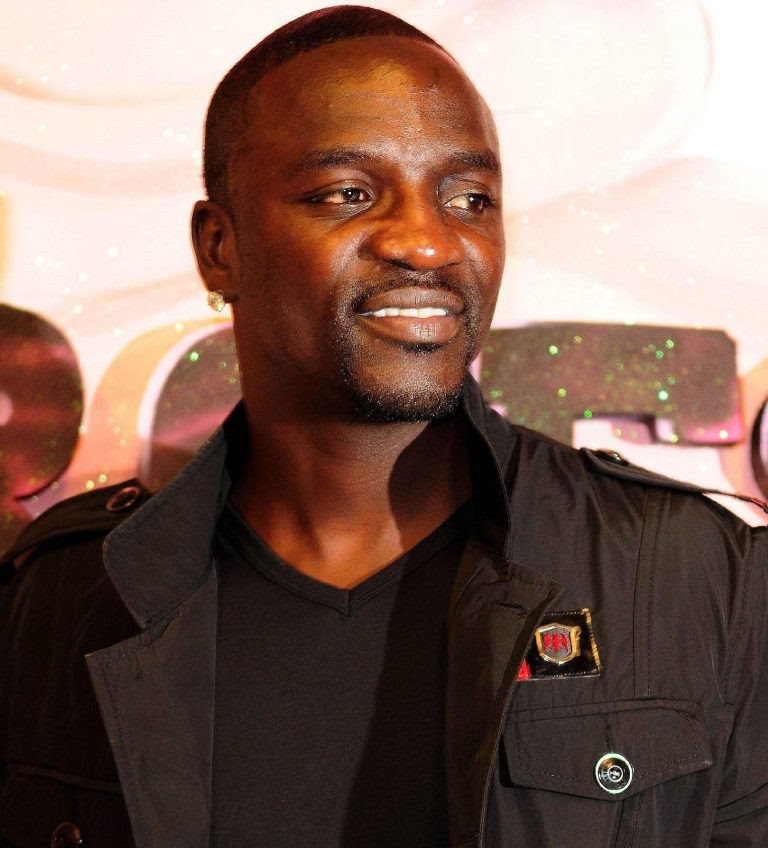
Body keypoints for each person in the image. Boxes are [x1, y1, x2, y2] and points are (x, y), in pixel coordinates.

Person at [2, 6, 767, 847]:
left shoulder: (701, 579)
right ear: (220, 247)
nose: (428, 243)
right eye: (348, 194)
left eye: (469, 198)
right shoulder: (62, 599)